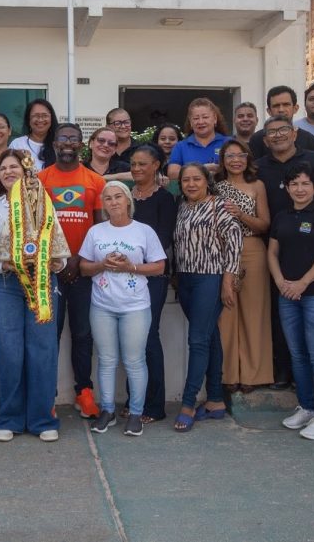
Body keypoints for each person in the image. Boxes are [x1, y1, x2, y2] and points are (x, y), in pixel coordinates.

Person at [0, 149, 70, 442]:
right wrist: (5, 262)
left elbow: (59, 247)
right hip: (4, 285)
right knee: (9, 352)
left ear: (25, 172)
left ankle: (43, 420)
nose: (8, 172)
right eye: (2, 168)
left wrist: (57, 263)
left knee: (43, 351)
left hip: (41, 282)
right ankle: (9, 418)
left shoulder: (44, 204)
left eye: (13, 167)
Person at [256, 115, 314, 388]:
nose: (277, 135)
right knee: (280, 316)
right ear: (265, 139)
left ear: (294, 133)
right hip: (276, 249)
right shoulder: (258, 167)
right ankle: (284, 370)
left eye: (282, 130)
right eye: (271, 132)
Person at [79, 182, 167, 437]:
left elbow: (160, 266)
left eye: (118, 197)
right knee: (106, 360)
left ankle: (136, 413)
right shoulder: (96, 231)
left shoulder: (144, 231)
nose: (113, 202)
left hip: (135, 306)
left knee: (134, 361)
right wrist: (102, 264)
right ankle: (107, 410)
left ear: (128, 200)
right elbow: (84, 267)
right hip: (102, 305)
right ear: (103, 204)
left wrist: (131, 267)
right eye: (108, 198)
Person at [269, 162, 314, 440]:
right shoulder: (282, 216)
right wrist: (280, 282)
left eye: (305, 184)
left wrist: (302, 283)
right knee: (297, 355)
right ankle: (307, 407)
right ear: (287, 188)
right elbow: (272, 253)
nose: (299, 189)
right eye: (294, 184)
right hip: (288, 295)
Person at [38, 123, 106, 419]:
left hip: (83, 270)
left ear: (82, 145)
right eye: (63, 138)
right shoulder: (40, 180)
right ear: (54, 143)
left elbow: (101, 228)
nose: (68, 143)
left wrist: (79, 259)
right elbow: (35, 227)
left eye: (74, 139)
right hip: (50, 270)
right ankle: (47, 395)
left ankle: (84, 393)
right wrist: (58, 261)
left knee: (82, 334)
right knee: (48, 335)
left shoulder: (94, 180)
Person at [172, 163, 243, 432]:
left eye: (196, 179)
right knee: (209, 335)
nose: (191, 184)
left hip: (211, 279)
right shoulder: (182, 206)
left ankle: (188, 403)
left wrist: (228, 280)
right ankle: (215, 400)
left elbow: (235, 244)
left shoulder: (220, 205)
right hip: (187, 279)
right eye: (186, 180)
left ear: (206, 181)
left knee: (198, 340)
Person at [214, 140, 273, 393]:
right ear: (223, 160)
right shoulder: (215, 187)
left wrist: (240, 214)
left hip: (252, 248)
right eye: (230, 156)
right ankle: (227, 374)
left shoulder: (257, 185)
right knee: (226, 313)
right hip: (222, 251)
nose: (235, 160)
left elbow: (264, 224)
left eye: (240, 155)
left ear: (248, 159)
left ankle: (254, 375)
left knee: (253, 312)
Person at [128, 143, 177, 423]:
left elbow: (163, 239)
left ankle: (154, 406)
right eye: (133, 164)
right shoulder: (127, 196)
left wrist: (132, 258)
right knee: (129, 339)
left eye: (142, 164)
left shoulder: (165, 199)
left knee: (147, 337)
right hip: (124, 277)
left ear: (156, 165)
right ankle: (135, 400)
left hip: (152, 276)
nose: (136, 169)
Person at [167, 97, 232, 180]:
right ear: (191, 122)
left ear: (215, 119)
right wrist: (201, 169)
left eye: (205, 117)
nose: (201, 122)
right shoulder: (181, 146)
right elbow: (172, 174)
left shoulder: (229, 143)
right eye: (196, 118)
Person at [248, 87, 314, 158]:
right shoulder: (257, 140)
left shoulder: (309, 140)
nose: (281, 109)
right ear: (269, 111)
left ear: (295, 108)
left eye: (286, 104)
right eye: (276, 106)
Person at [9, 98, 59, 171]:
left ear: (51, 118)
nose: (40, 120)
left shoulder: (59, 144)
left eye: (45, 116)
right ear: (28, 119)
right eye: (36, 116)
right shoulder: (17, 144)